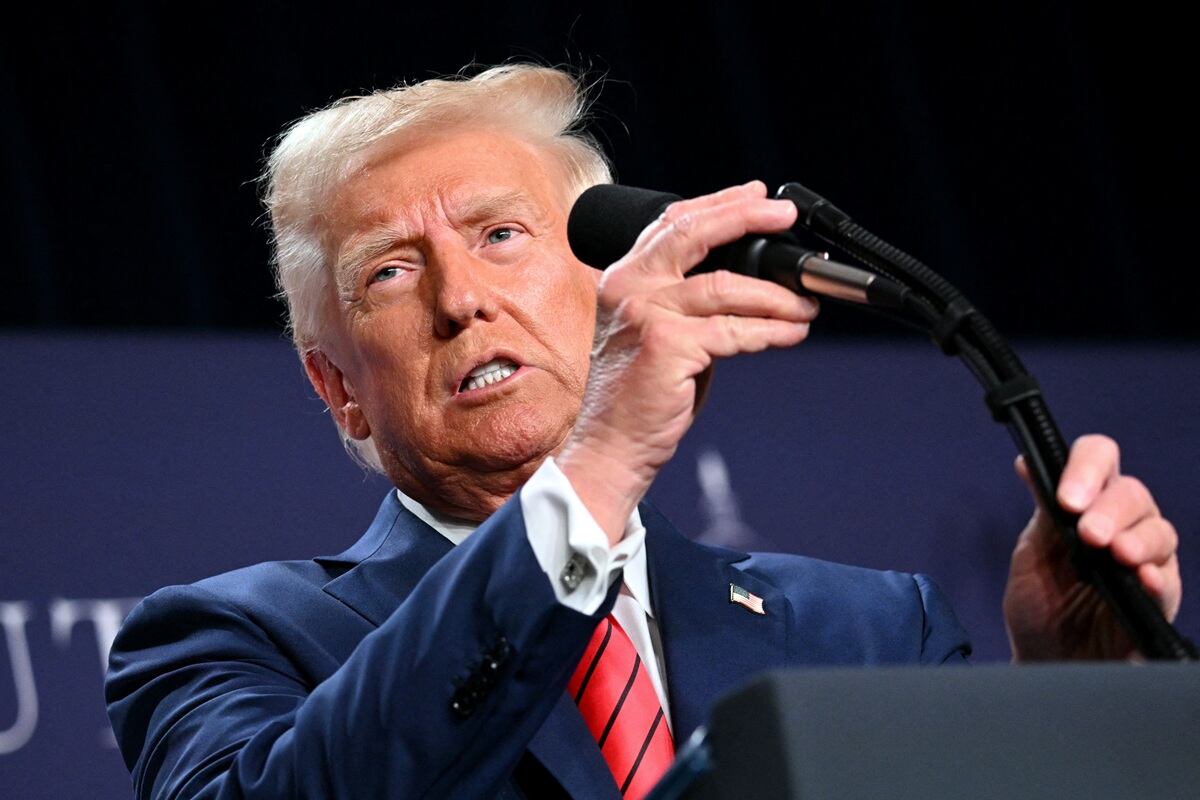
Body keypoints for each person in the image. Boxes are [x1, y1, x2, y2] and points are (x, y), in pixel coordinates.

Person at [105, 65, 1182, 799]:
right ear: (338, 386)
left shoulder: (866, 631)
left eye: (502, 233)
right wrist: (599, 462)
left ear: (603, 284)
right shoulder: (224, 641)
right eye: (390, 270)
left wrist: (1069, 704)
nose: (462, 297)